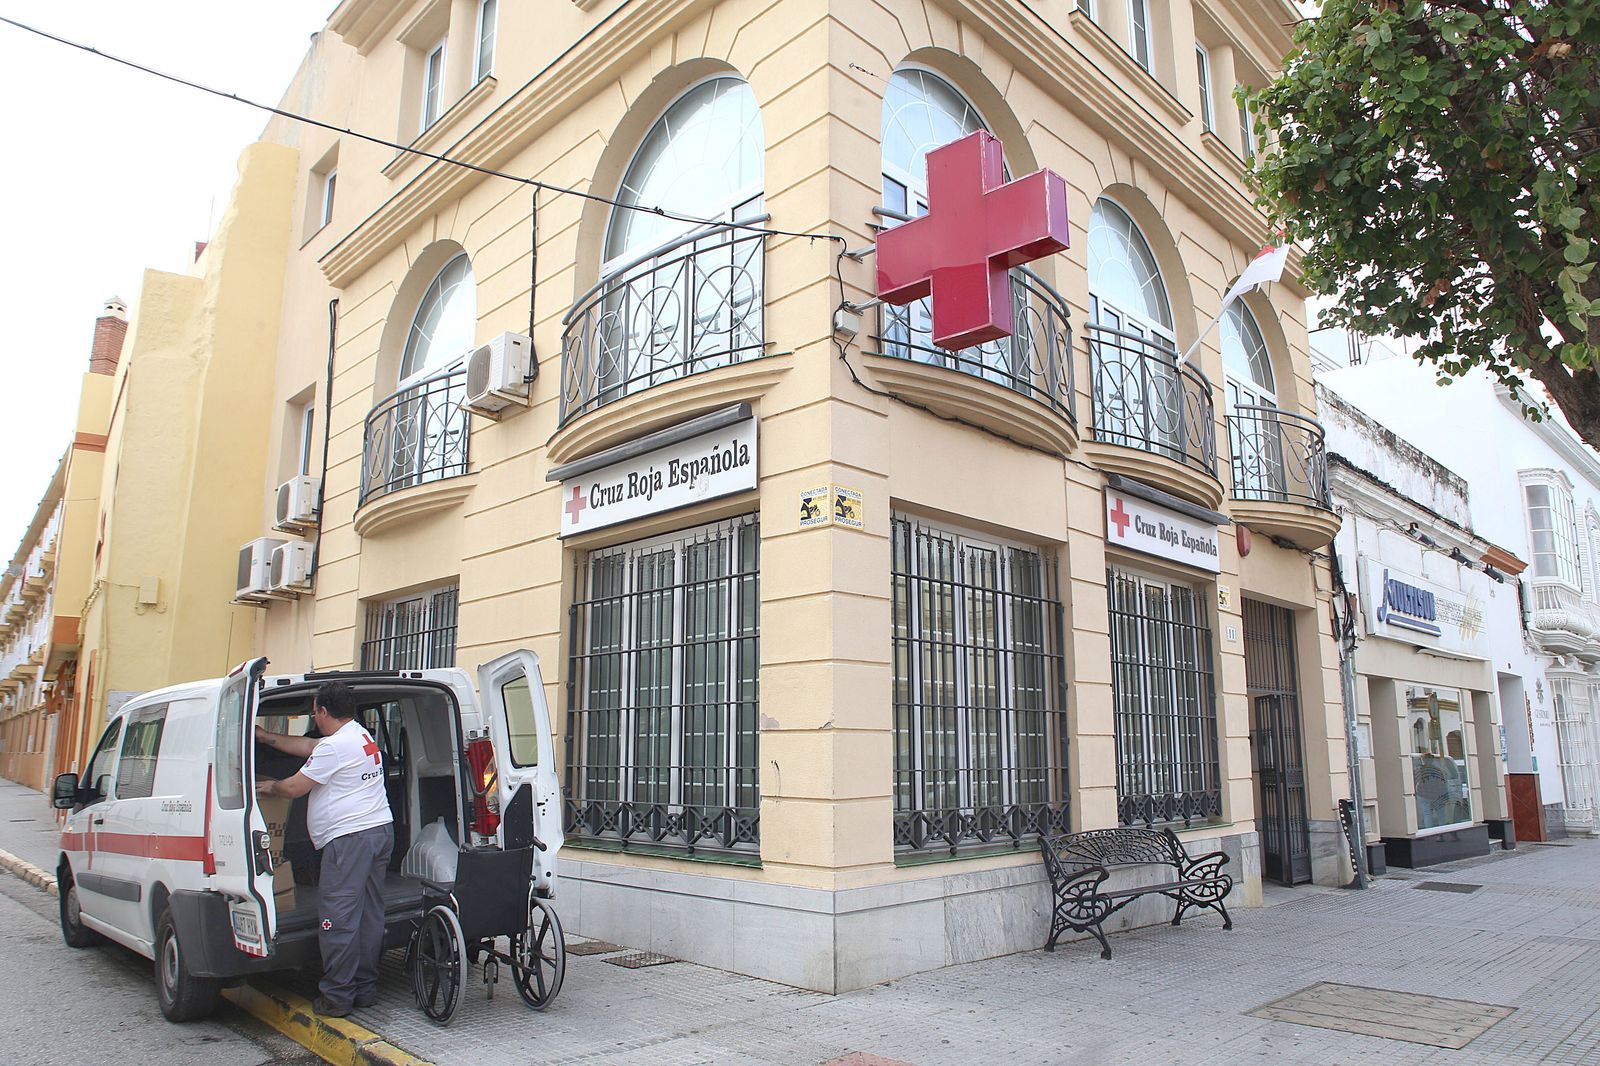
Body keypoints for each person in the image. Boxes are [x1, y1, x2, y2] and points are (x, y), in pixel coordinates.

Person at [256, 681, 393, 1017]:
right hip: (378, 831)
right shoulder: (359, 735)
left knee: (339, 917)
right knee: (368, 913)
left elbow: (294, 787)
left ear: (322, 711)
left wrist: (269, 786)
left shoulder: (335, 748)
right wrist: (266, 738)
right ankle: (364, 988)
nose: (313, 715)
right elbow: (309, 746)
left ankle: (337, 996)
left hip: (350, 841)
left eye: (314, 709)